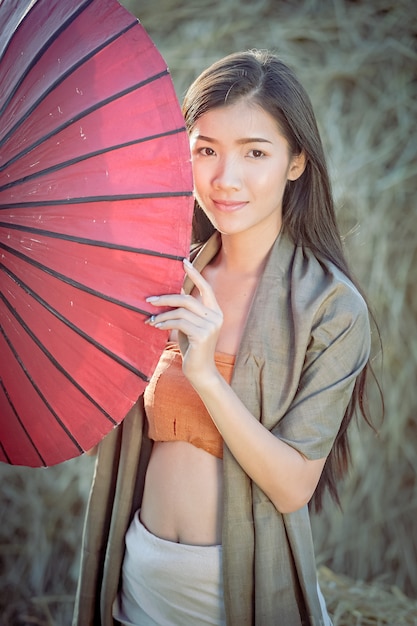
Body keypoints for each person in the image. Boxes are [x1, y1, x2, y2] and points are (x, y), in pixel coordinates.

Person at [73, 50, 377, 626]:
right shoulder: (163, 280)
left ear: (296, 163)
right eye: (205, 150)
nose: (224, 179)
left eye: (254, 153)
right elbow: (113, 437)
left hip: (240, 594)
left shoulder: (331, 309)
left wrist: (207, 374)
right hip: (139, 577)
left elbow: (291, 487)